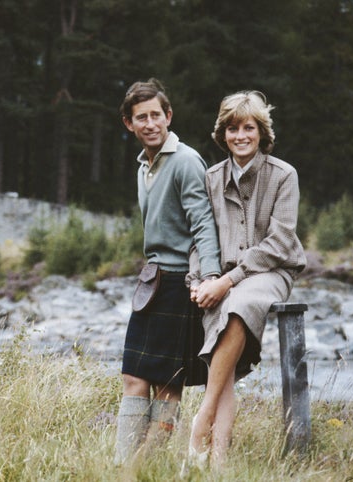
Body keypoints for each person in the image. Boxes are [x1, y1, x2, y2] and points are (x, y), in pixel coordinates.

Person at [185, 90, 307, 470]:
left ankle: (201, 418)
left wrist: (228, 281)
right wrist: (201, 279)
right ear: (223, 134)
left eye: (249, 128)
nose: (241, 135)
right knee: (222, 321)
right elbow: (200, 236)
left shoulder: (284, 175)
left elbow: (281, 240)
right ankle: (218, 463)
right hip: (220, 274)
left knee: (236, 305)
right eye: (233, 128)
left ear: (261, 132)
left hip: (271, 271)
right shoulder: (211, 177)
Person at [114, 78, 221, 465]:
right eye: (141, 117)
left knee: (167, 384)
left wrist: (210, 278)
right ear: (129, 123)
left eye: (156, 115)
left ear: (168, 116)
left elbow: (203, 223)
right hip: (153, 279)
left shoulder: (186, 161)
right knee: (133, 378)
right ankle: (124, 466)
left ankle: (142, 469)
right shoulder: (144, 164)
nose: (150, 123)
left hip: (180, 282)